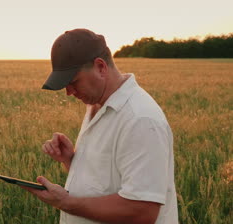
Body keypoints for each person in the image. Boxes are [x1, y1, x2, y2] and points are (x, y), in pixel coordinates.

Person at [21, 29, 178, 224]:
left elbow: (142, 211)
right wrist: (71, 161)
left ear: (100, 67)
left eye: (73, 82)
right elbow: (105, 182)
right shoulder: (97, 104)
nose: (69, 92)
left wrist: (65, 202)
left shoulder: (141, 120)